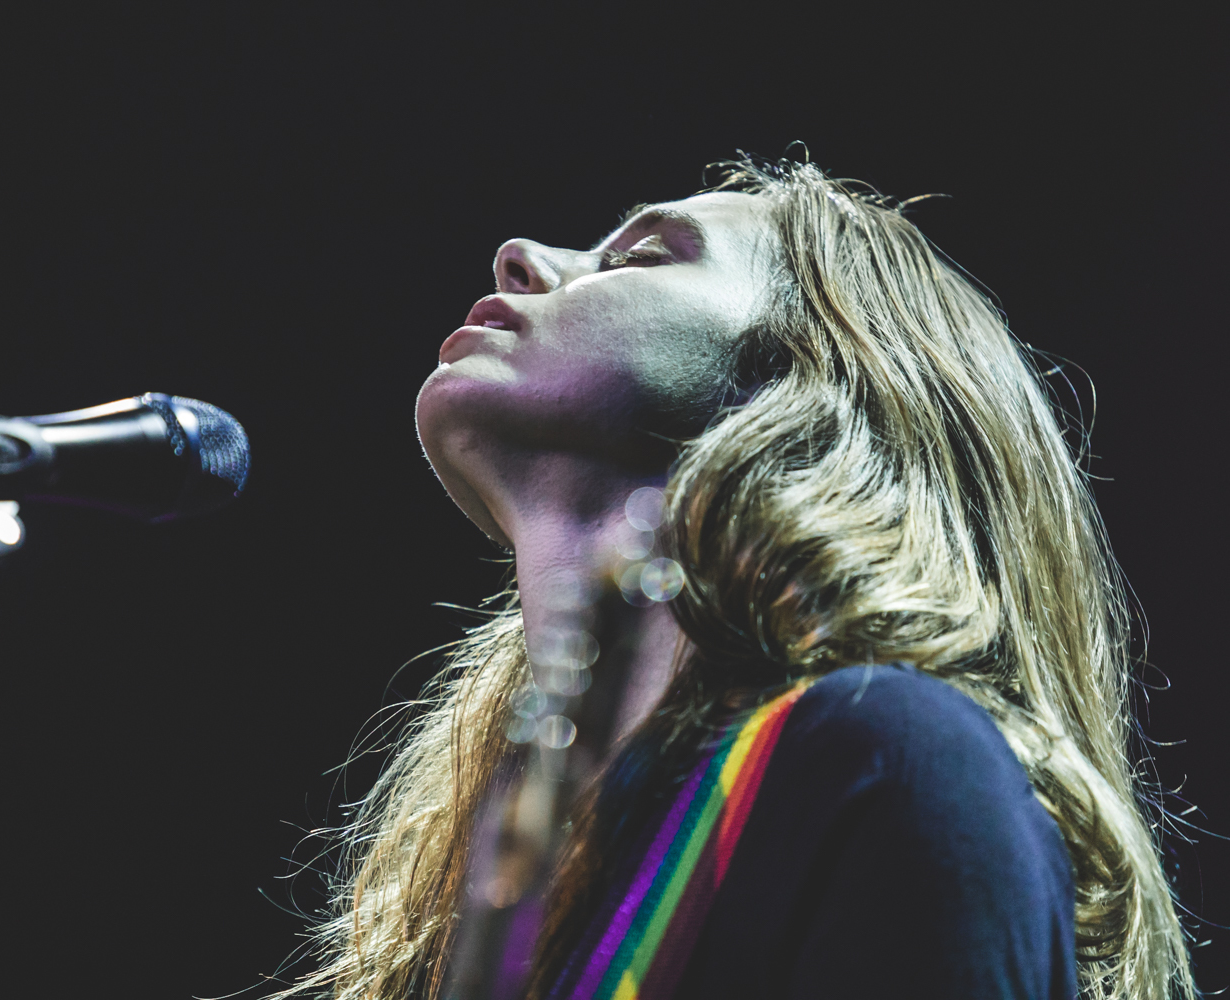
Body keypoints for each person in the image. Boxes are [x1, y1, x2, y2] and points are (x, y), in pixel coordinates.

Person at [281, 157, 1194, 1000]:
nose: (518, 258)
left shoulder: (889, 761)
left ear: (816, 371)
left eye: (641, 256)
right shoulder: (499, 889)